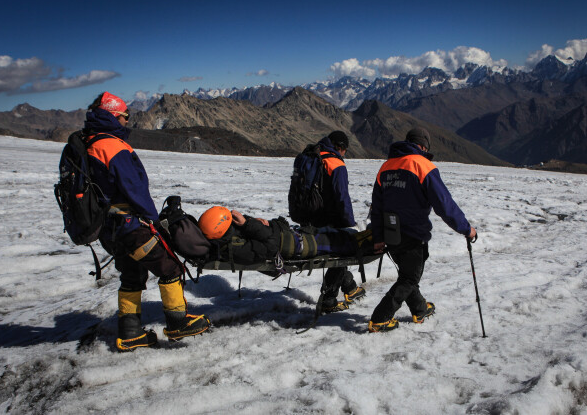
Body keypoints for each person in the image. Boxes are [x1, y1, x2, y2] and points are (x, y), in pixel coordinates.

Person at [83, 92, 210, 351]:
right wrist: (153, 220)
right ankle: (177, 323)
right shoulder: (112, 146)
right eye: (124, 116)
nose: (127, 121)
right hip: (130, 226)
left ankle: (130, 333)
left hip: (109, 229)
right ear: (113, 115)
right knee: (170, 267)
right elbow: (134, 188)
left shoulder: (89, 142)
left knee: (132, 275)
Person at [368, 127, 477, 332]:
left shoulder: (386, 166)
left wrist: (378, 236)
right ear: (423, 146)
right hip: (413, 231)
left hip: (391, 232)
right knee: (409, 278)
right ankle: (380, 318)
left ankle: (420, 309)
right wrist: (466, 229)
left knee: (408, 274)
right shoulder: (422, 165)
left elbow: (377, 206)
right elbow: (444, 204)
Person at [290, 131, 366, 313]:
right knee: (342, 252)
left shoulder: (309, 156)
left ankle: (350, 287)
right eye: (345, 151)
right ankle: (328, 299)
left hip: (306, 215)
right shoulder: (335, 163)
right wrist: (349, 223)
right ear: (341, 148)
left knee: (337, 253)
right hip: (326, 218)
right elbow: (342, 197)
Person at [197, 206, 370, 266]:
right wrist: (249, 224)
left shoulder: (228, 234)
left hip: (289, 235)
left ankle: (361, 234)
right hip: (294, 245)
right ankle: (369, 243)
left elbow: (258, 235)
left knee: (333, 233)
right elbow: (270, 247)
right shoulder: (236, 248)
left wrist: (249, 221)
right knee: (337, 242)